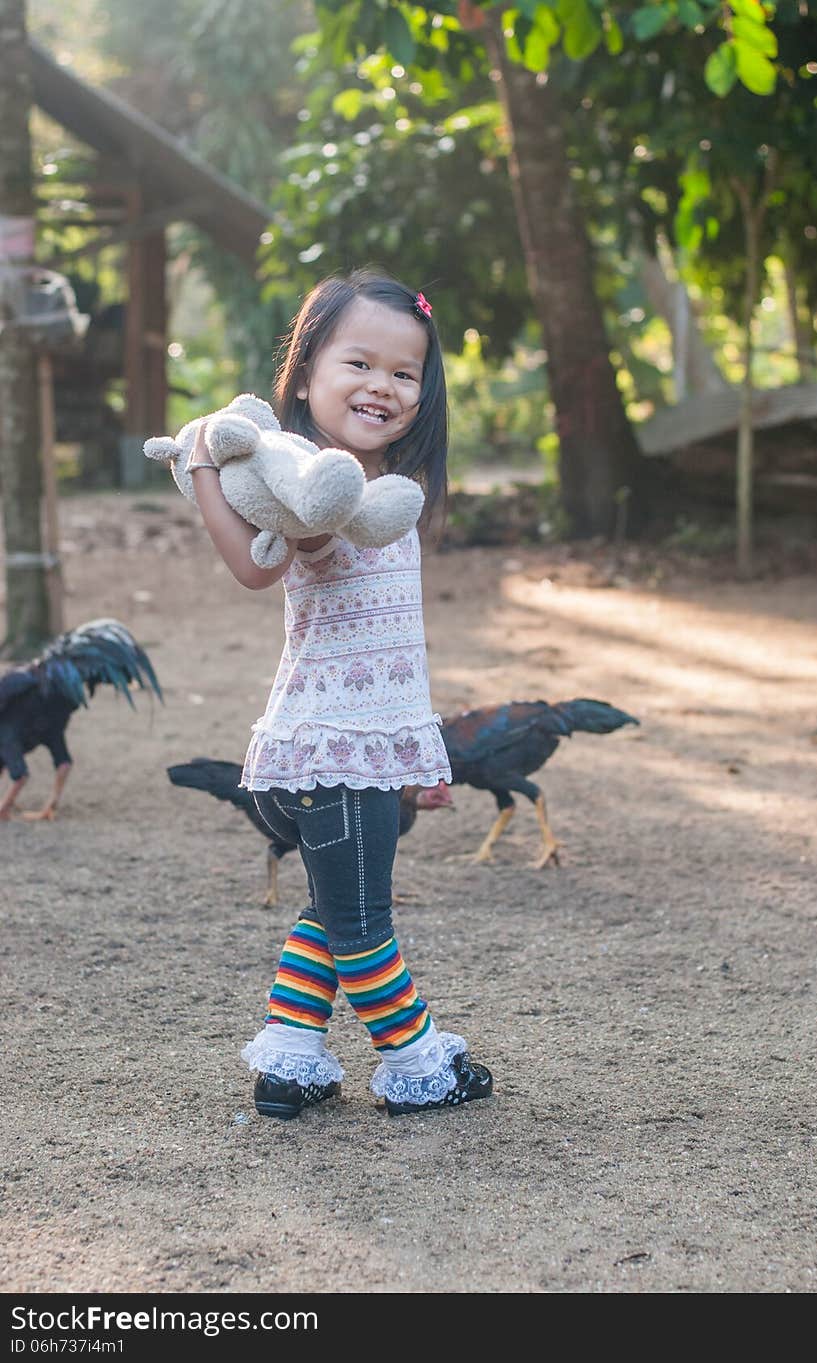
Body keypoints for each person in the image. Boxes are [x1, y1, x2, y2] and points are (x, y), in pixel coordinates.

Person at [186, 268, 493, 1119]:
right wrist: (208, 464)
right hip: (329, 757)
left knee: (333, 906)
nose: (382, 386)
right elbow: (255, 568)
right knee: (363, 927)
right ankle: (417, 1060)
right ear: (308, 372)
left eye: (405, 372)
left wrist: (415, 749)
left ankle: (288, 1062)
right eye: (358, 363)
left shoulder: (389, 490)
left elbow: (395, 642)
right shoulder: (315, 482)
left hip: (340, 751)